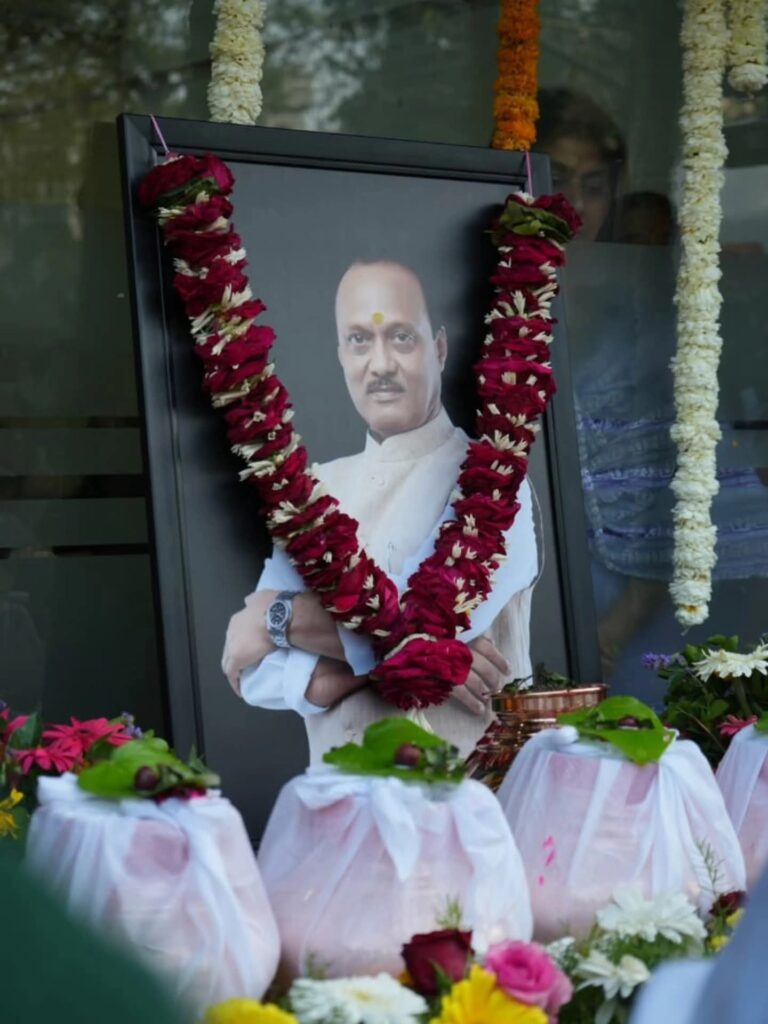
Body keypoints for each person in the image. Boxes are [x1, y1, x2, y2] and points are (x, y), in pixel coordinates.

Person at [221, 259, 539, 764]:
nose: (382, 364)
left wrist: (274, 616)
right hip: (338, 804)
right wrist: (383, 666)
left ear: (438, 348)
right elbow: (253, 674)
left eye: (401, 338)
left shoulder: (493, 482)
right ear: (341, 357)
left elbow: (428, 625)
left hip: (464, 801)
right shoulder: (318, 485)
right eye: (359, 341)